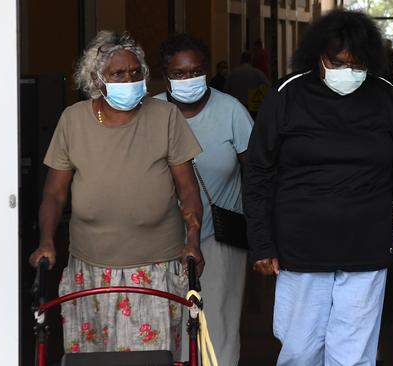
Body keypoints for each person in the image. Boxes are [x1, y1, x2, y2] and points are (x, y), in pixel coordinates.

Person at [244, 10, 393, 366]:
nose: (348, 72)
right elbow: (258, 173)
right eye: (338, 62)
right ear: (318, 55)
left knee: (353, 356)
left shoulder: (384, 98)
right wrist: (261, 242)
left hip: (364, 248)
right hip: (300, 249)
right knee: (299, 351)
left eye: (357, 64)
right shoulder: (287, 94)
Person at [28, 30, 204, 357]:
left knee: (152, 361)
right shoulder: (73, 120)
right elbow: (54, 193)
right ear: (96, 78)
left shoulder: (166, 117)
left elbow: (188, 188)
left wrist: (193, 238)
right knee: (93, 360)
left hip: (155, 269)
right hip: (90, 270)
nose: (129, 79)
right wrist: (47, 240)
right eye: (118, 74)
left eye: (135, 72)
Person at [154, 33, 253, 366]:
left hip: (220, 237)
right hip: (162, 241)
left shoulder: (231, 111)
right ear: (165, 74)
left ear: (208, 70)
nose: (188, 79)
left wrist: (263, 235)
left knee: (220, 324)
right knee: (170, 322)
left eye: (195, 71)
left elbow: (255, 174)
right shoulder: (150, 113)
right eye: (179, 74)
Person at [224, 51, 270, 116]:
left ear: (241, 60)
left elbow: (226, 90)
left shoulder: (233, 73)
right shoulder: (257, 73)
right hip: (252, 105)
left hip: (236, 105)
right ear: (251, 60)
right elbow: (268, 86)